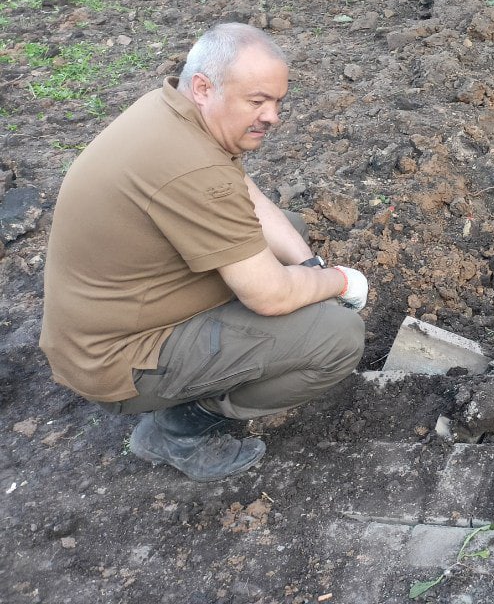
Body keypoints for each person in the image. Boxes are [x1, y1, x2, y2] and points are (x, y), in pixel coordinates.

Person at [40, 24, 369, 482]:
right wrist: (342, 281)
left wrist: (309, 266)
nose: (272, 117)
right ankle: (180, 426)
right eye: (257, 101)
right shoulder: (191, 168)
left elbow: (242, 190)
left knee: (288, 234)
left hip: (107, 319)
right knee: (337, 337)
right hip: (117, 361)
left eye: (278, 102)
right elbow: (270, 296)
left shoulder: (171, 111)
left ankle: (221, 364)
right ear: (203, 87)